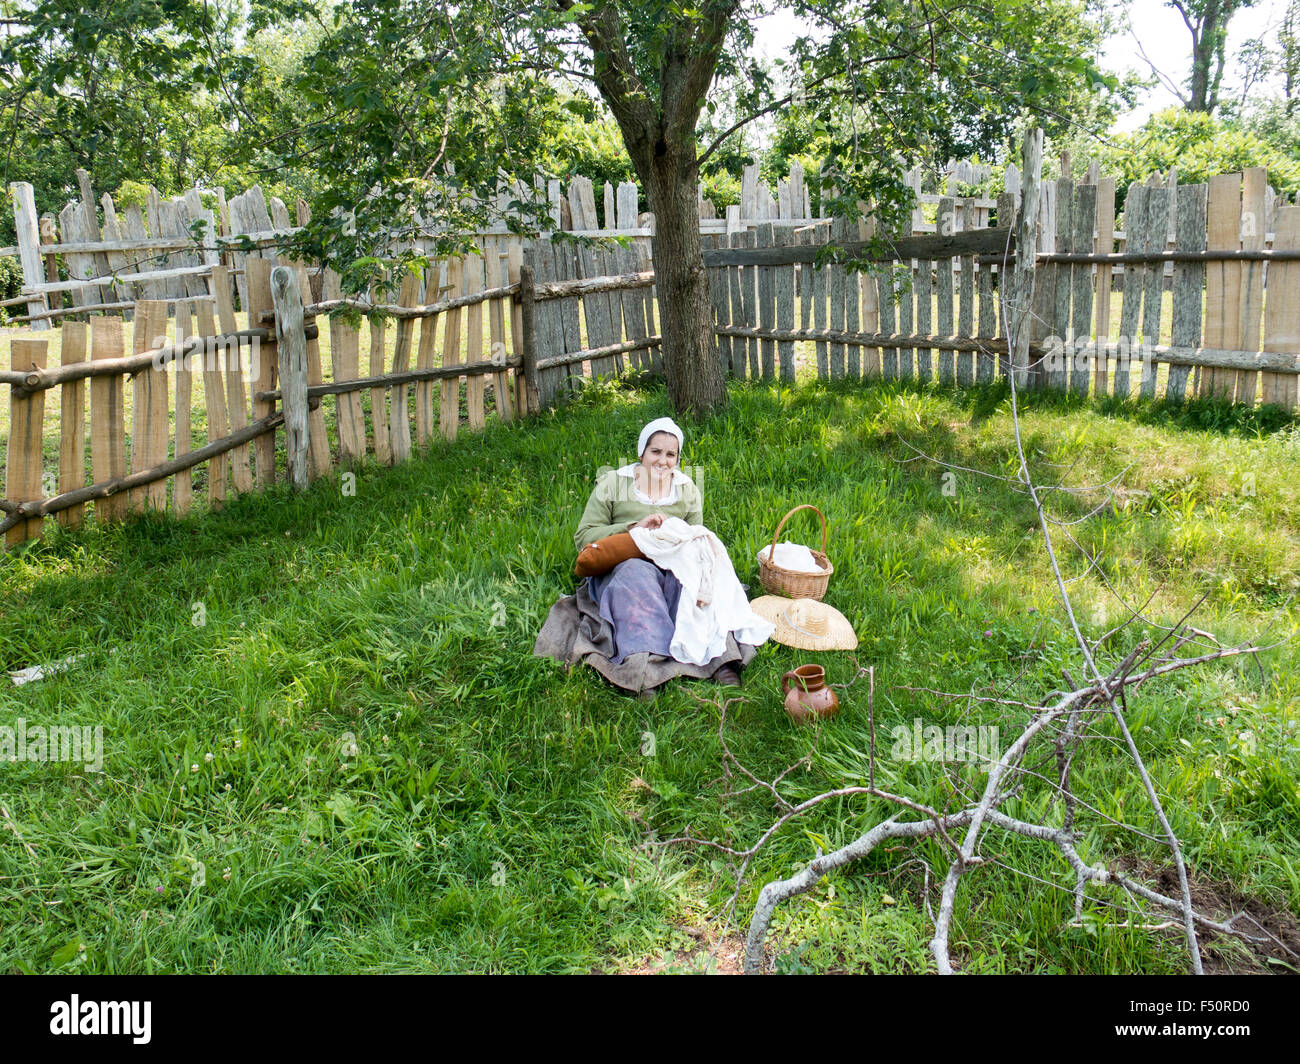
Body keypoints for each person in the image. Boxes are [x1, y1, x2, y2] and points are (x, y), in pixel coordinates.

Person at [534, 416, 760, 696]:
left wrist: (676, 536)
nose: (662, 461)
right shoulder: (613, 483)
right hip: (624, 565)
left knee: (698, 585)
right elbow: (584, 536)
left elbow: (695, 534)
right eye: (655, 451)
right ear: (641, 452)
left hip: (673, 562)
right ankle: (646, 667)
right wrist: (632, 528)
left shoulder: (686, 488)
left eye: (670, 454)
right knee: (635, 577)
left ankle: (720, 660)